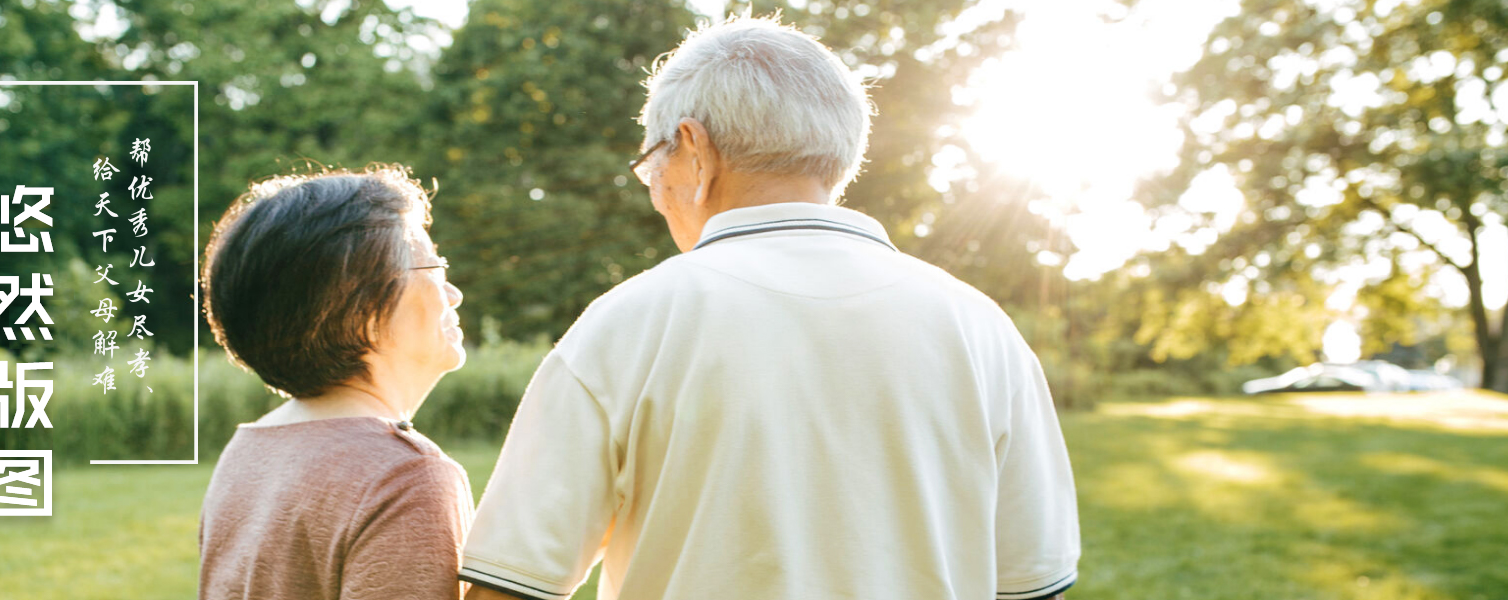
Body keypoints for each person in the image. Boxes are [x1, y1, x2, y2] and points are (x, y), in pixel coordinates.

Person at [459, 16, 1081, 600]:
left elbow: (510, 586)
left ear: (692, 148)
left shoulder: (627, 324)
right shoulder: (981, 328)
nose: (653, 189)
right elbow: (1031, 582)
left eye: (652, 162)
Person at [198, 166, 472, 600]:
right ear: (361, 309)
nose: (453, 292)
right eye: (433, 265)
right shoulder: (405, 477)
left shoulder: (252, 450)